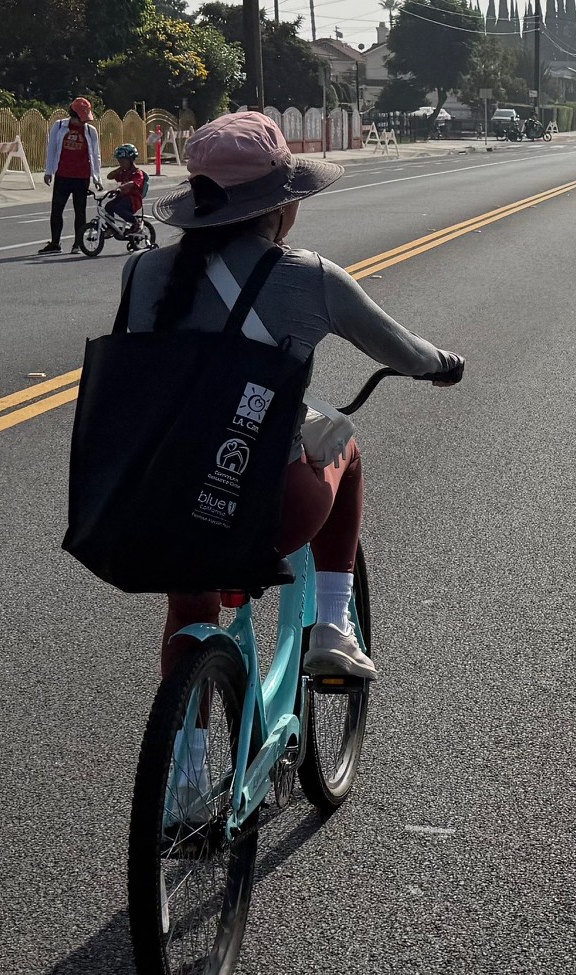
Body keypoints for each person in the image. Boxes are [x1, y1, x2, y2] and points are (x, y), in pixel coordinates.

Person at [124, 111, 465, 682]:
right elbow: (406, 353)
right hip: (268, 509)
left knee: (189, 607)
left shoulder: (142, 271)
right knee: (344, 447)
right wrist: (444, 365)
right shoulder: (308, 276)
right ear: (279, 205)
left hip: (161, 503)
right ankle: (333, 626)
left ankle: (185, 743)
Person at [38, 97, 100, 254]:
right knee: (56, 210)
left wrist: (96, 177)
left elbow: (95, 155)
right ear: (73, 115)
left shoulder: (90, 131)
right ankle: (55, 243)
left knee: (80, 211)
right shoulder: (59, 126)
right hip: (63, 175)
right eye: (81, 119)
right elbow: (51, 149)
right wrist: (48, 171)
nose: (83, 122)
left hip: (82, 177)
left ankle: (78, 244)